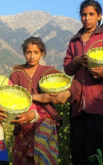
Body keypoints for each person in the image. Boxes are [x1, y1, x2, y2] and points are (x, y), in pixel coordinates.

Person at [63, 0, 103, 164]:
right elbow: (67, 68)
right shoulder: (74, 41)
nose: (87, 18)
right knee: (78, 149)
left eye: (91, 14)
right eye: (84, 14)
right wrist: (76, 61)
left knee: (96, 150)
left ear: (99, 16)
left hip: (99, 103)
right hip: (77, 104)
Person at [9, 36, 82, 165]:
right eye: (28, 52)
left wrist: (67, 92)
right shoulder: (17, 75)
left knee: (42, 153)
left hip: (45, 119)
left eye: (36, 52)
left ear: (42, 53)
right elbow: (11, 98)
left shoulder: (48, 72)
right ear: (24, 53)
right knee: (22, 159)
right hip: (23, 122)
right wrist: (35, 97)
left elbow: (75, 85)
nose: (32, 56)